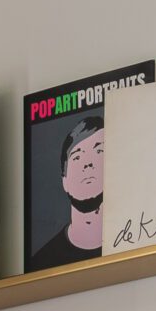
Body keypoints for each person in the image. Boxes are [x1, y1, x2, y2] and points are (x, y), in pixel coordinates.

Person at [31, 110, 104, 267]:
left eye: (99, 151)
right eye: (77, 156)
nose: (88, 163)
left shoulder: (134, 244)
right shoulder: (41, 263)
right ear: (65, 180)